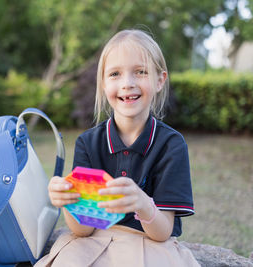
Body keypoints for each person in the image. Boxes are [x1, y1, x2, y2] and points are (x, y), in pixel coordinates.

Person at [36, 29, 200, 267]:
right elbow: (82, 230)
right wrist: (67, 201)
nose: (127, 84)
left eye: (140, 72)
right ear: (103, 83)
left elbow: (162, 232)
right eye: (115, 74)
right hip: (90, 244)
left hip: (150, 245)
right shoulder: (88, 143)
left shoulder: (171, 145)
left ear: (159, 80)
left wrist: (143, 204)